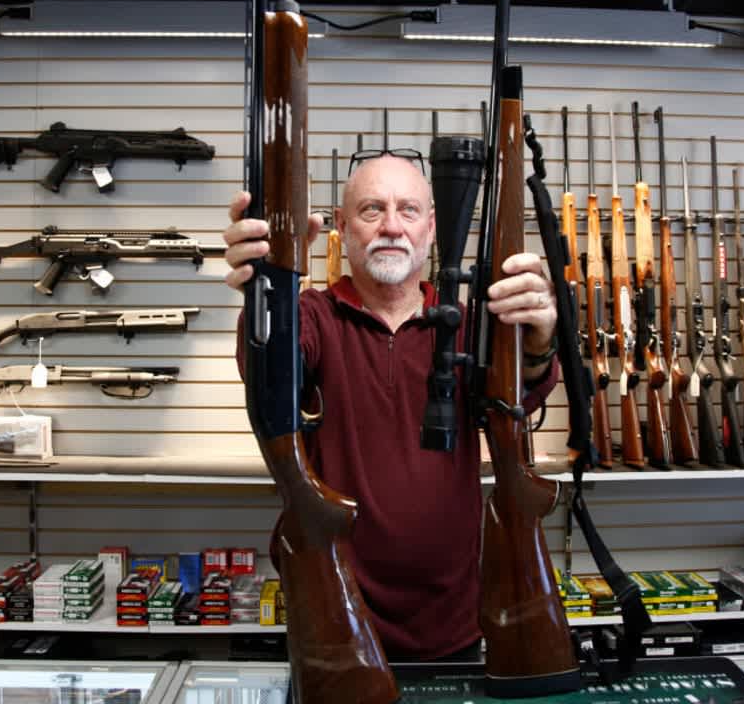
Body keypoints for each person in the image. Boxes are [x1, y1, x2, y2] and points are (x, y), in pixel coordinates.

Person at [224, 152, 559, 662]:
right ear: (341, 226)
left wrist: (538, 339)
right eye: (371, 210)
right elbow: (267, 370)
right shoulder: (313, 317)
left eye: (407, 210)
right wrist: (267, 288)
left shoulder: (468, 327)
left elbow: (521, 393)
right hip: (334, 619)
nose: (391, 227)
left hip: (454, 626)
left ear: (430, 226)